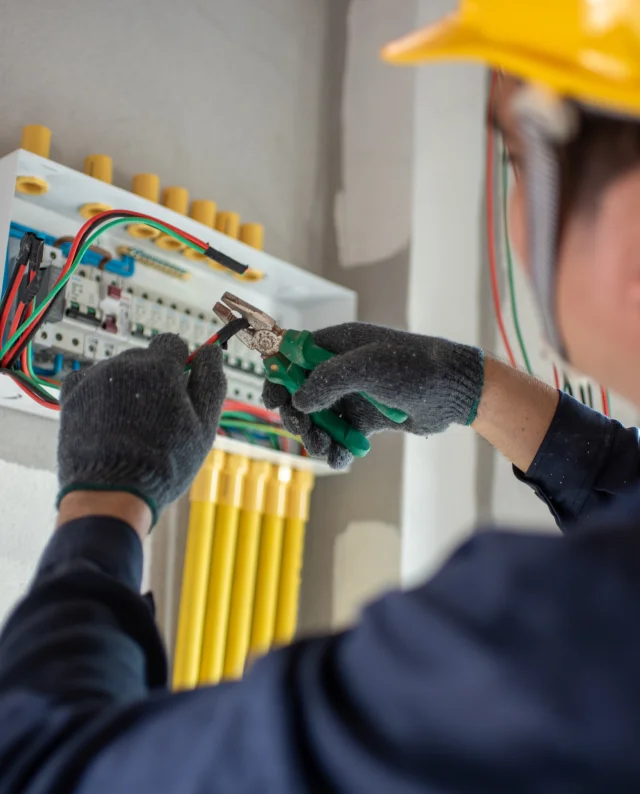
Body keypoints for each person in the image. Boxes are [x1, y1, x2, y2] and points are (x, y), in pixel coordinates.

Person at [3, 1, 640, 790]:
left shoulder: (549, 639)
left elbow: (42, 769)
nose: (513, 222)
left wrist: (103, 505)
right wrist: (472, 390)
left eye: (515, 157)